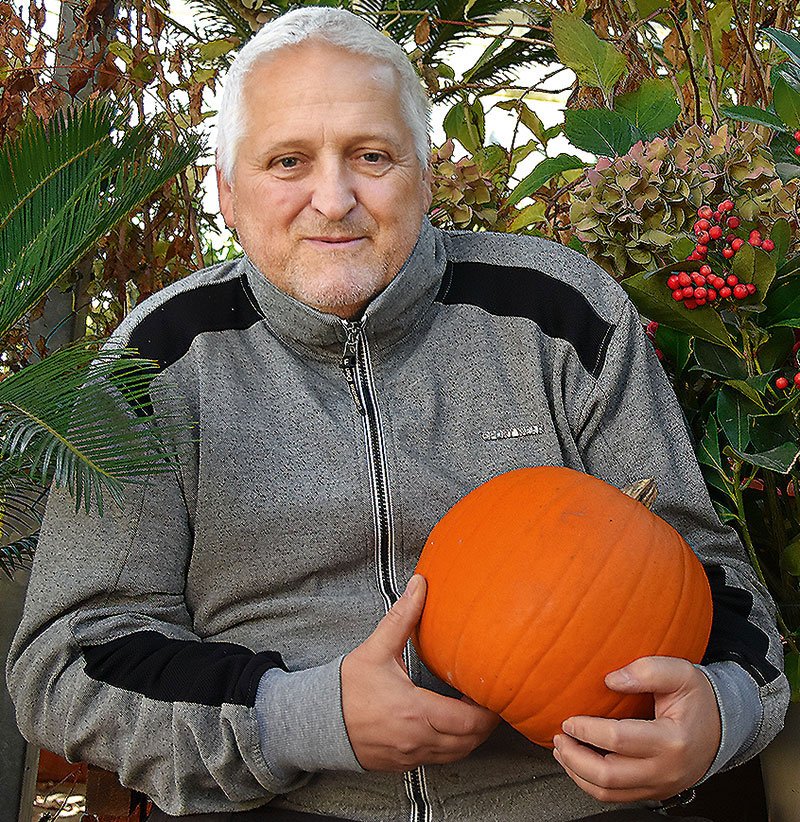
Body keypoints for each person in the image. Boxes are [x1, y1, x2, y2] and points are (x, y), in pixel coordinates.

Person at [7, 8, 788, 822]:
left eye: (371, 156)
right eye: (288, 161)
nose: (333, 198)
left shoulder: (559, 315)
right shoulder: (159, 365)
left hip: (572, 803)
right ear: (228, 192)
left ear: (425, 173)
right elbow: (68, 665)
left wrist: (720, 710)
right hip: (284, 805)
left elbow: (706, 579)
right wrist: (306, 718)